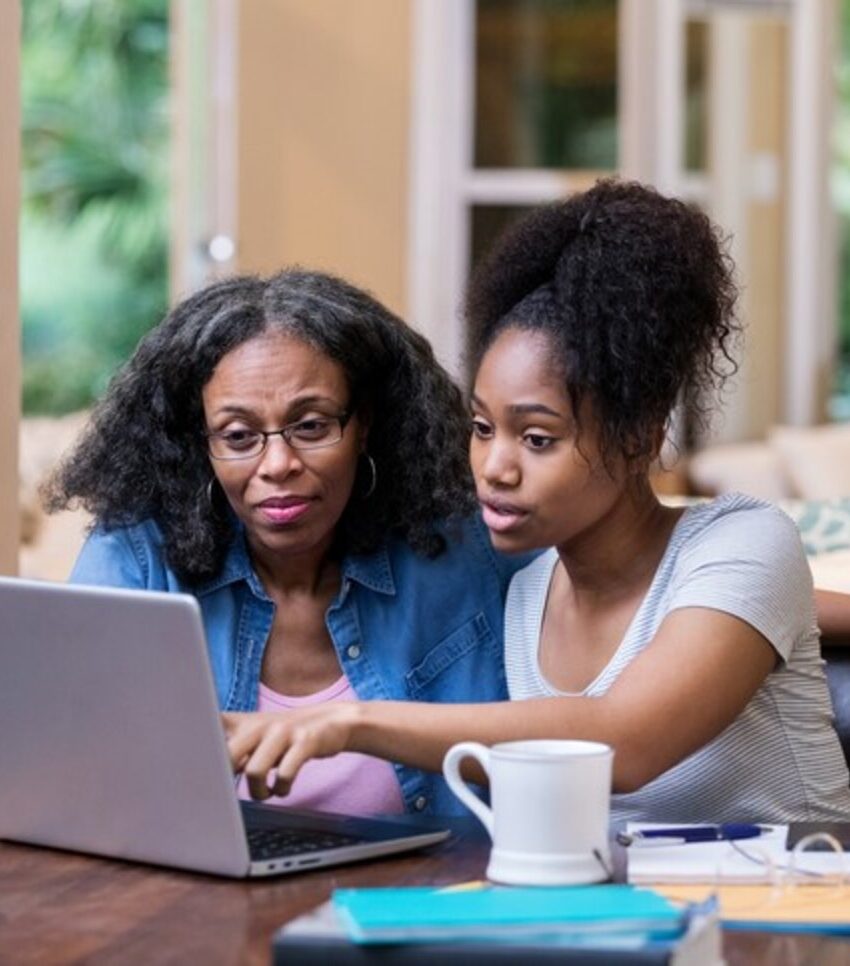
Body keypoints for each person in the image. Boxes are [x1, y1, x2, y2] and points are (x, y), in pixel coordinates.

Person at [225, 180, 850, 823]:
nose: (495, 468)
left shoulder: (745, 542)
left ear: (640, 434)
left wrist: (349, 722)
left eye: (537, 437)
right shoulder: (526, 590)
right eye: (482, 428)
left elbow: (626, 741)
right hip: (611, 916)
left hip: (789, 906)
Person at [46, 269, 523, 817]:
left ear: (363, 423)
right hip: (203, 898)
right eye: (238, 436)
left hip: (433, 898)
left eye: (313, 426)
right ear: (199, 443)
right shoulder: (136, 560)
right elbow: (69, 770)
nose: (278, 465)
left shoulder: (469, 548)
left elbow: (584, 725)